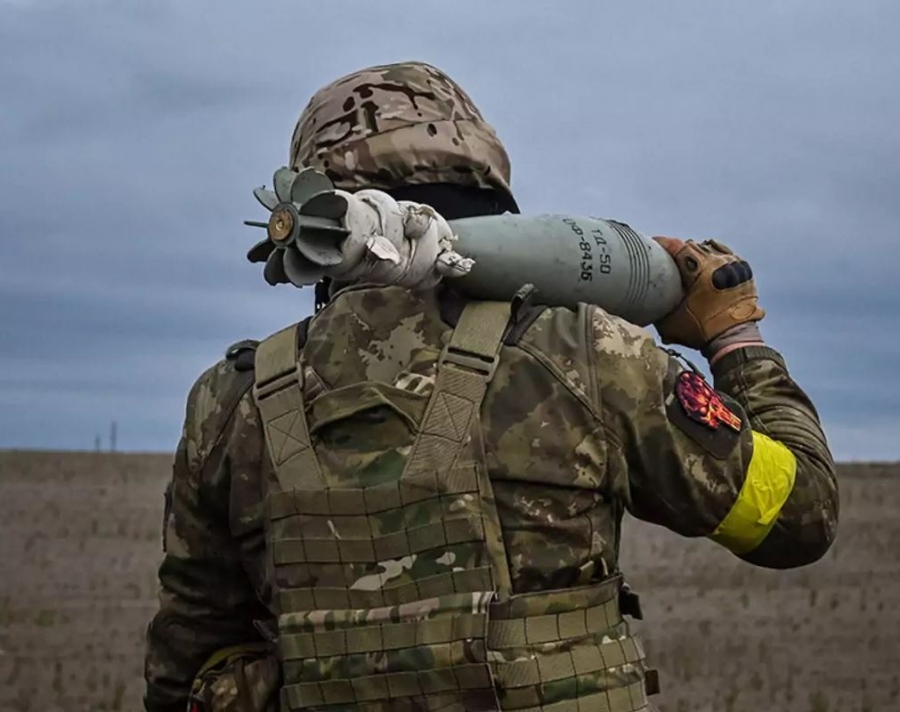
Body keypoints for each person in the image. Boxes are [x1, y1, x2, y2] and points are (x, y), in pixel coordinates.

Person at [143, 61, 839, 712]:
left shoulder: (231, 400)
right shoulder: (585, 354)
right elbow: (797, 518)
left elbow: (188, 659)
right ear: (489, 189)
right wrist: (735, 337)